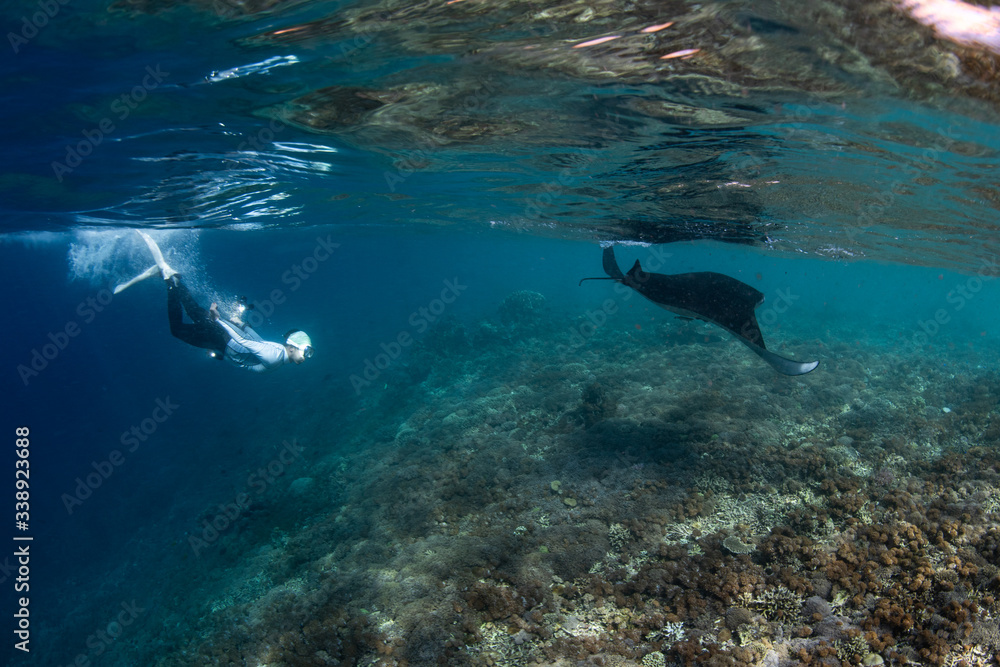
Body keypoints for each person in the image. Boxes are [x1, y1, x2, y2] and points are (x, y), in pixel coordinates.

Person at [124, 231, 313, 372]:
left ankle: (174, 279)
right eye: (306, 351)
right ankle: (169, 279)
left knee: (193, 309)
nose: (306, 357)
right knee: (177, 329)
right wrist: (218, 320)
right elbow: (243, 342)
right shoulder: (274, 357)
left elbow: (258, 342)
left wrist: (242, 324)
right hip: (220, 336)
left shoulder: (278, 354)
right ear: (292, 346)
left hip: (221, 339)